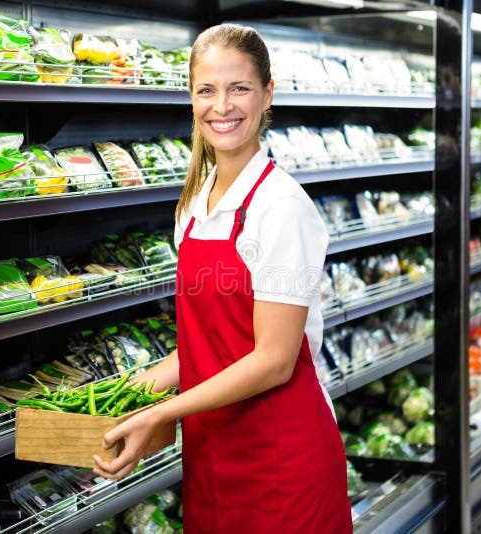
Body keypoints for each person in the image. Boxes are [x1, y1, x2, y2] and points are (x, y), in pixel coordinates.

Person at [93, 23, 352, 533]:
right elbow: (206, 346)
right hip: (212, 454)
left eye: (239, 88)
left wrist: (162, 414)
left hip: (282, 456)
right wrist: (123, 395)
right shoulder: (193, 204)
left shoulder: (281, 207)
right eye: (206, 90)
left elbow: (273, 361)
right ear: (191, 99)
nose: (222, 106)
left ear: (267, 94)